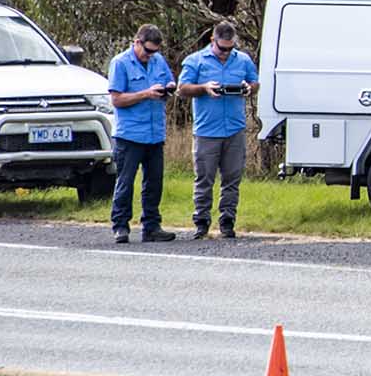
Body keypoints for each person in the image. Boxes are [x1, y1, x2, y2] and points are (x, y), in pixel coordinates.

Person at [178, 20, 259, 239]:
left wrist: (247, 88)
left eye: (230, 48)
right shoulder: (195, 61)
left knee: (232, 179)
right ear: (212, 40)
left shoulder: (243, 60)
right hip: (207, 131)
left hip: (234, 129)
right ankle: (201, 222)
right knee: (204, 178)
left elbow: (255, 82)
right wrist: (204, 88)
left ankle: (227, 220)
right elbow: (182, 89)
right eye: (222, 48)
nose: (225, 53)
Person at [107, 24, 176, 243]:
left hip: (155, 133)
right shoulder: (120, 63)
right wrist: (145, 94)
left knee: (154, 182)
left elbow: (167, 81)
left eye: (154, 52)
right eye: (147, 51)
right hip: (130, 135)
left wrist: (170, 87)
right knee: (125, 182)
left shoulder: (158, 60)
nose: (150, 56)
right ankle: (120, 226)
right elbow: (117, 99)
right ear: (137, 42)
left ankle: (152, 226)